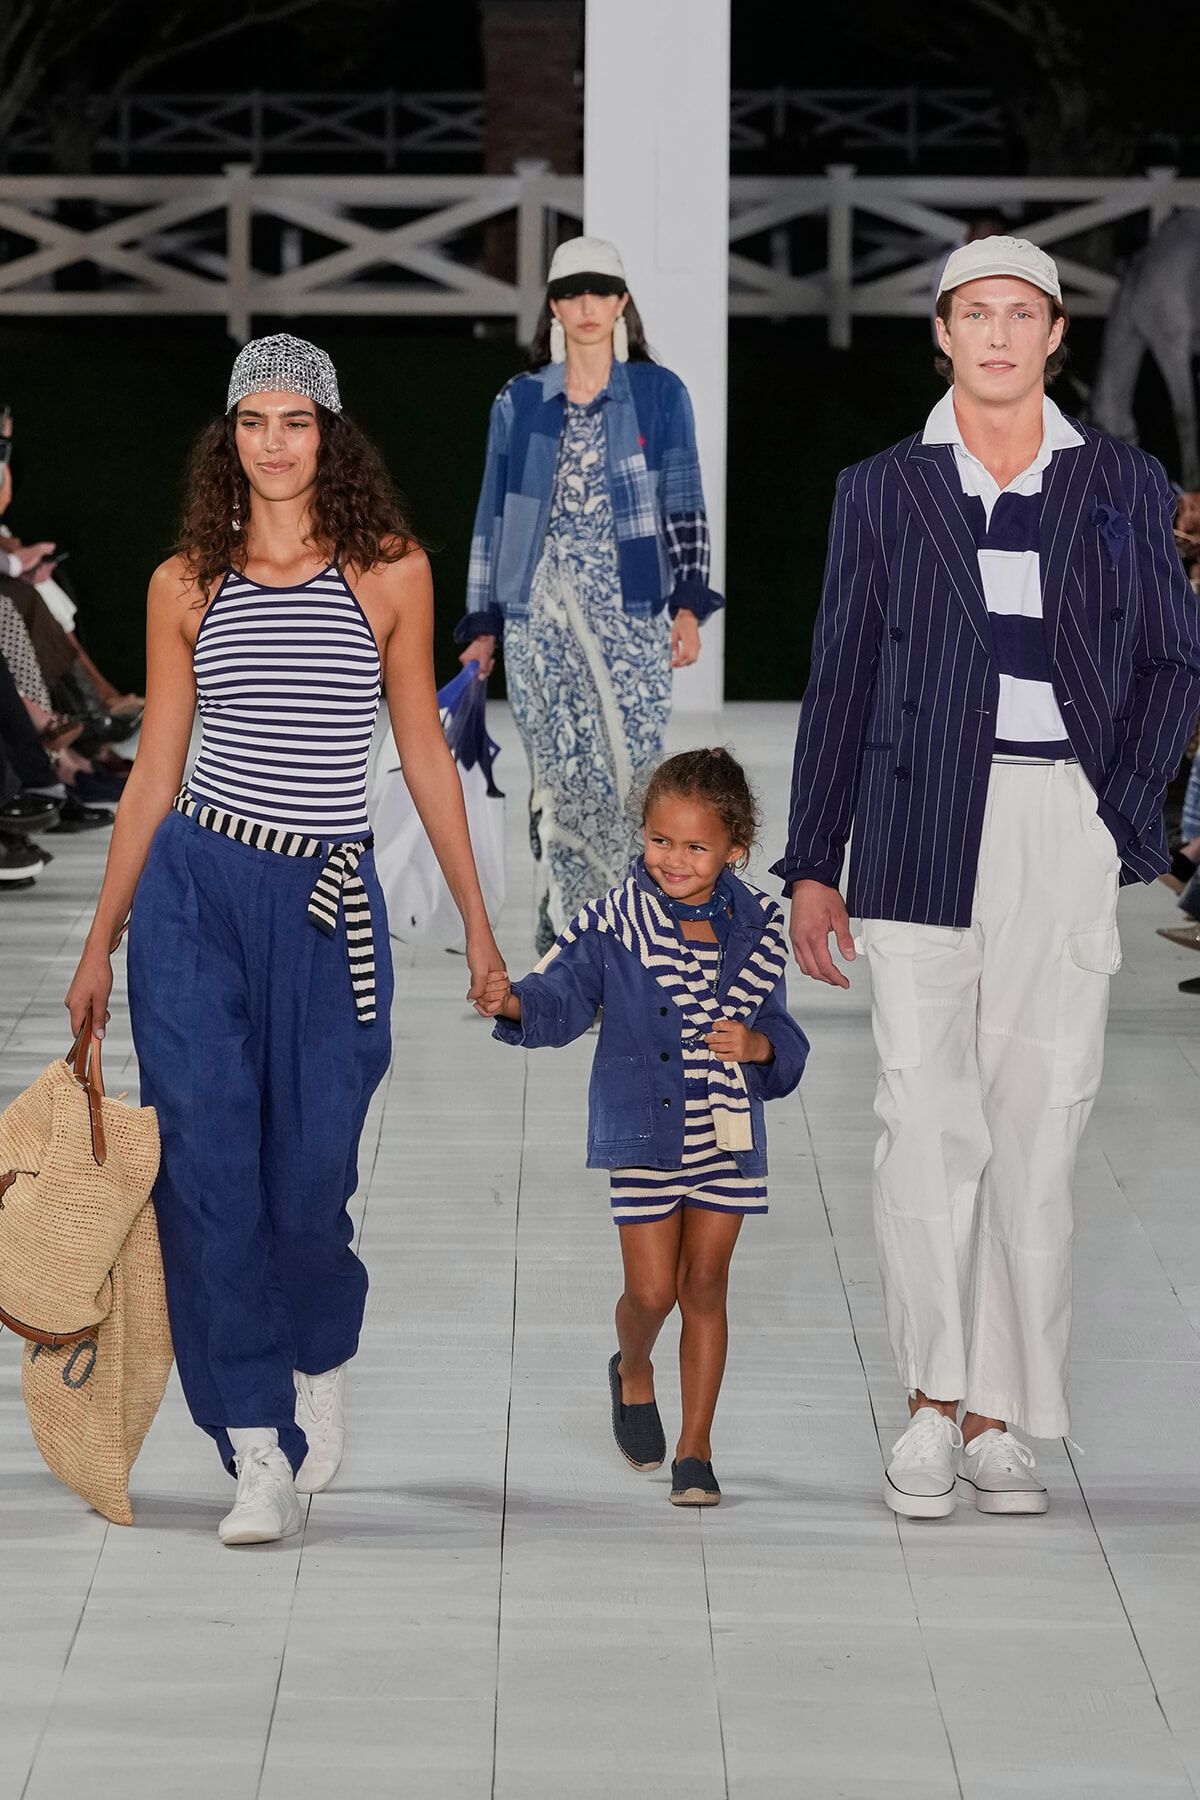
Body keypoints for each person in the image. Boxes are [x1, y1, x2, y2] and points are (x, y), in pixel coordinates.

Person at [775, 238, 1200, 1518]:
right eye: (977, 313)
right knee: (924, 1121)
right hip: (913, 825)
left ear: (1057, 334)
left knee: (1040, 1126)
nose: (1002, 334)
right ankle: (929, 1406)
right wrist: (810, 861)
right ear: (944, 334)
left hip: (1056, 822)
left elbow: (1178, 661)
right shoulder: (882, 491)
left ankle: (1005, 1418)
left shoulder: (1123, 481)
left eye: (1025, 313)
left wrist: (1119, 813)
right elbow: (840, 675)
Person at [65, 334, 506, 1547]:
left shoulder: (389, 576)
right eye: (252, 421)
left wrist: (478, 926)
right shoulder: (183, 586)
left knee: (309, 1184)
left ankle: (319, 1352)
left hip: (327, 905)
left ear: (330, 433)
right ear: (228, 438)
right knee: (207, 1175)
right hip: (196, 892)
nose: (273, 441)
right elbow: (154, 771)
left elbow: (423, 754)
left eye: (295, 421)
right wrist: (102, 940)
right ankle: (252, 1442)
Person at [478, 748, 808, 1505]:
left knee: (705, 1284)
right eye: (660, 840)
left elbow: (784, 1040)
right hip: (645, 1134)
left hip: (725, 1134)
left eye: (696, 846)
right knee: (654, 1292)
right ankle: (632, 1367)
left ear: (735, 852)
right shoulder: (609, 925)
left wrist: (758, 1046)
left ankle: (697, 1448)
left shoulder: (757, 931)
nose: (674, 859)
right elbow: (559, 996)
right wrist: (513, 1004)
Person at [456, 236, 724, 954]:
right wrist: (483, 623)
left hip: (633, 610)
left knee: (632, 773)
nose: (586, 306)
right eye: (572, 292)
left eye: (600, 291)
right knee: (560, 778)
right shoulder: (522, 401)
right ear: (553, 304)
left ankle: (631, 940)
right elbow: (494, 512)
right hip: (539, 613)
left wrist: (689, 604)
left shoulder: (658, 394)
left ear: (621, 302)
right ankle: (572, 943)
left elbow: (684, 502)